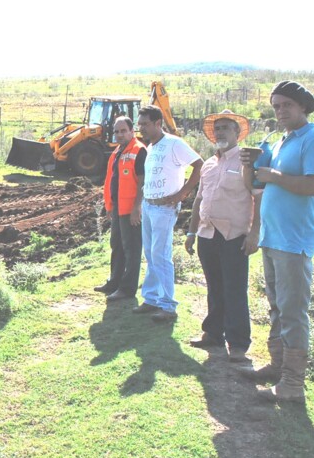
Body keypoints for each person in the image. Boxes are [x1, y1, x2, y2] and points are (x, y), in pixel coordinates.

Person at [239, 81, 314, 402]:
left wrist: (274, 176)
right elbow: (254, 184)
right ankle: (278, 366)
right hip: (272, 237)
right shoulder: (281, 142)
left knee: (293, 312)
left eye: (286, 105)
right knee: (277, 307)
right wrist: (249, 165)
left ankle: (293, 385)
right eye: (276, 106)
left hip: (295, 241)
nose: (280, 111)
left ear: (303, 106)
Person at [184, 110, 260, 361]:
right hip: (207, 234)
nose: (220, 133)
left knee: (234, 288)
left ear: (237, 133)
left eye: (226, 128)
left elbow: (257, 197)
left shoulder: (246, 161)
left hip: (234, 235)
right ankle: (213, 334)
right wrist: (192, 232)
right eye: (217, 129)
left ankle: (238, 343)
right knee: (214, 286)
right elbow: (199, 199)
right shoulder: (208, 164)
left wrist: (254, 232)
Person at [132, 105, 203, 322]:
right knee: (150, 253)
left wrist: (183, 193)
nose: (141, 128)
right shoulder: (151, 147)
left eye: (145, 124)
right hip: (149, 205)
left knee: (161, 254)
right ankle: (151, 298)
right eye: (140, 124)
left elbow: (199, 164)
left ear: (157, 123)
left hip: (165, 207)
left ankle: (168, 305)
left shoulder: (174, 143)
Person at [94, 117, 147, 301]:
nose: (119, 134)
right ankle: (114, 282)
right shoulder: (117, 151)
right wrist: (110, 206)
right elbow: (112, 180)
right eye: (116, 131)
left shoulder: (139, 151)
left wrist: (136, 208)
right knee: (116, 246)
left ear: (132, 131)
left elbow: (142, 181)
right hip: (117, 208)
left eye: (123, 130)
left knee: (131, 249)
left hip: (130, 210)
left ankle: (127, 289)